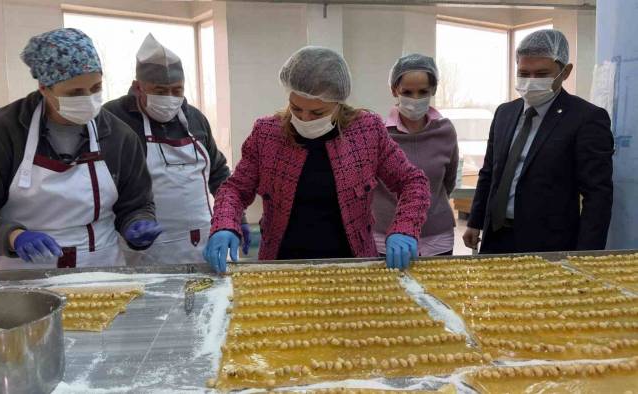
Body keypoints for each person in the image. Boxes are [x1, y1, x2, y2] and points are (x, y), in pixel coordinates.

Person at [0, 28, 162, 270]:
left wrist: (137, 222)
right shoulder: (1, 132)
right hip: (24, 271)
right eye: (75, 93)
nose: (89, 99)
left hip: (100, 268)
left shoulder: (118, 136)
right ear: (44, 88)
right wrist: (13, 237)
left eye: (96, 88)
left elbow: (136, 203)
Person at [203, 46, 431, 273]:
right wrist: (224, 224)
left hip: (352, 264)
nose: (304, 118)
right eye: (297, 108)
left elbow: (413, 182)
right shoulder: (267, 134)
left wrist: (404, 227)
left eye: (318, 113)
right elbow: (235, 189)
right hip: (282, 264)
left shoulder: (367, 132)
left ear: (338, 103)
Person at [463, 29, 614, 254]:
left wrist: (587, 254)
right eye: (524, 73)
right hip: (496, 238)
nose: (531, 81)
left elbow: (598, 195)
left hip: (549, 244)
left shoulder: (586, 118)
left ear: (565, 71)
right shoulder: (505, 113)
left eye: (542, 73)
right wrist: (475, 221)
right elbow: (489, 172)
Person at [104, 34, 250, 265]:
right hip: (146, 247)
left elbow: (218, 173)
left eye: (177, 90)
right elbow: (103, 182)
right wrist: (129, 222)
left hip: (204, 240)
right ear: (137, 87)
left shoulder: (195, 118)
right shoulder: (114, 118)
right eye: (160, 91)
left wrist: (234, 218)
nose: (170, 99)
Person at [373, 54, 459, 257]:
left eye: (423, 92)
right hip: (388, 238)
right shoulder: (379, 133)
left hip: (436, 237)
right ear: (394, 90)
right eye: (407, 92)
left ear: (433, 90)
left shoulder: (445, 131)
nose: (415, 99)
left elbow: (448, 181)